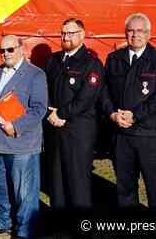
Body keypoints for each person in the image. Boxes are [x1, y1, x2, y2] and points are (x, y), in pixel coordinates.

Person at [101, 13, 156, 216]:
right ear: (125, 33)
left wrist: (135, 115)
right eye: (131, 31)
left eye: (140, 31)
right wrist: (112, 114)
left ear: (149, 34)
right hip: (121, 136)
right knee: (125, 191)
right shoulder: (114, 59)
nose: (135, 35)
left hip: (149, 135)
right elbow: (104, 90)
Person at [0, 35, 47, 239]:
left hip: (21, 143)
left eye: (10, 49)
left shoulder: (36, 74)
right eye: (2, 50)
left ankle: (25, 230)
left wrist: (16, 126)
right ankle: (3, 221)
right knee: (0, 187)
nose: (5, 54)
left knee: (24, 192)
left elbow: (39, 109)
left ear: (21, 49)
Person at [43, 19, 104, 232]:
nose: (65, 37)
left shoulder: (91, 63)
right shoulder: (53, 60)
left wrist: (62, 113)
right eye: (62, 33)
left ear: (82, 34)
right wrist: (50, 111)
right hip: (54, 128)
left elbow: (87, 97)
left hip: (78, 131)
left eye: (70, 33)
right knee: (56, 182)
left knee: (78, 182)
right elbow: (46, 90)